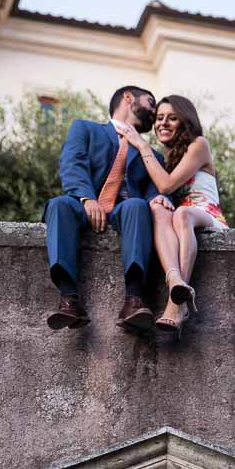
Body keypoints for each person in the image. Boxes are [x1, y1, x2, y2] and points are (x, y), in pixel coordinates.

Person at [43, 86, 170, 334]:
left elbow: (157, 189)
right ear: (128, 98)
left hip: (126, 212)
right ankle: (69, 300)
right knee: (58, 204)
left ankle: (134, 300)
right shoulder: (86, 128)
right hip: (85, 205)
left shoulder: (152, 154)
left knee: (137, 205)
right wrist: (87, 198)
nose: (155, 111)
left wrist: (159, 199)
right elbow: (73, 162)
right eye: (151, 102)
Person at [116, 95, 228, 337]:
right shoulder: (165, 159)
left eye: (172, 118)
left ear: (185, 121)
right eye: (159, 118)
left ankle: (176, 303)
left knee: (182, 214)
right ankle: (175, 280)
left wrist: (141, 145)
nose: (163, 123)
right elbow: (162, 192)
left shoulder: (199, 145)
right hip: (180, 218)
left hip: (206, 214)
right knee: (159, 208)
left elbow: (166, 185)